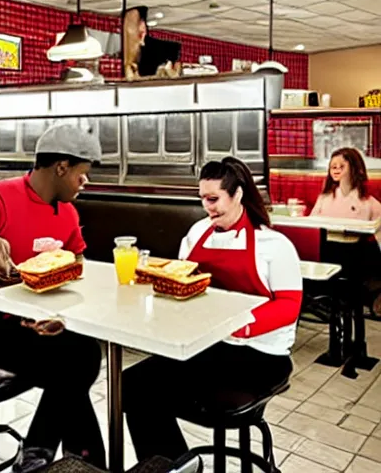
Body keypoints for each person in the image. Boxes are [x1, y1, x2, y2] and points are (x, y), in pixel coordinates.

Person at [0, 121, 106, 473]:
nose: (84, 183)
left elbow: (76, 262)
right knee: (72, 368)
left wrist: (59, 313)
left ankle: (44, 454)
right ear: (61, 167)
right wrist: (5, 299)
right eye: (81, 175)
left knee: (83, 352)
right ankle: (78, 461)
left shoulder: (67, 212)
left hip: (22, 314)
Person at [123, 157, 303, 462]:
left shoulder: (274, 244)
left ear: (238, 195)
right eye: (203, 199)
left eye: (214, 199)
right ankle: (176, 465)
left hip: (259, 355)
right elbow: (185, 281)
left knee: (145, 389)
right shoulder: (196, 234)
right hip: (211, 346)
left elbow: (289, 306)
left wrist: (237, 325)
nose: (208, 207)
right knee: (130, 386)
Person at [310, 147, 381, 316]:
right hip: (326, 250)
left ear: (355, 169)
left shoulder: (367, 201)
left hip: (355, 253)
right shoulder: (324, 198)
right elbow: (311, 224)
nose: (335, 170)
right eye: (332, 166)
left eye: (341, 166)